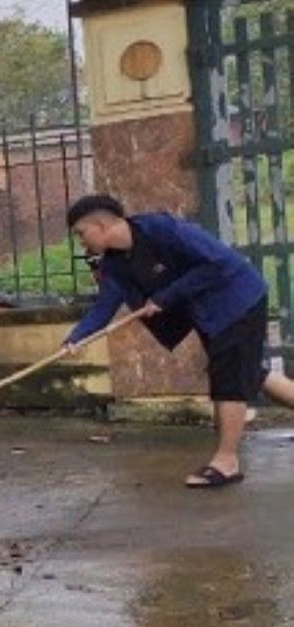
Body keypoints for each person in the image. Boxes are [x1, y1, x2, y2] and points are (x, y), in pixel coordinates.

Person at [63, 194, 294, 488]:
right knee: (250, 373)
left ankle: (226, 462)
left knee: (230, 379)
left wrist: (166, 296)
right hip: (207, 315)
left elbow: (218, 262)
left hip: (237, 299)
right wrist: (75, 339)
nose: (81, 242)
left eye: (81, 234)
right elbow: (104, 306)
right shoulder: (115, 265)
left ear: (100, 224)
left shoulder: (163, 229)